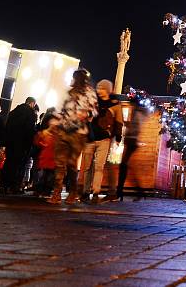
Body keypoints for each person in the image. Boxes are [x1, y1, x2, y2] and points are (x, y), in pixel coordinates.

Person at [48, 69, 97, 205]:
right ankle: (56, 193)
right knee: (59, 164)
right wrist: (54, 124)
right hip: (63, 131)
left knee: (71, 164)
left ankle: (73, 192)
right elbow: (61, 110)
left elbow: (94, 110)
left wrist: (85, 114)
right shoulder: (69, 92)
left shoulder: (89, 93)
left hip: (78, 133)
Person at [79, 79, 121, 204]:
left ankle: (96, 192)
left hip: (104, 139)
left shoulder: (115, 104)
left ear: (107, 90)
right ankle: (85, 192)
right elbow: (85, 117)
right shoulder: (93, 102)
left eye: (102, 88)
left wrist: (117, 137)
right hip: (90, 138)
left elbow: (119, 122)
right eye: (98, 88)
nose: (99, 90)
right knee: (87, 167)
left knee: (99, 167)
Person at [1, 97, 37, 195]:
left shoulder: (13, 112)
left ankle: (3, 186)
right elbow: (30, 131)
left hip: (11, 143)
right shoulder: (30, 113)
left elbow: (7, 128)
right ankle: (14, 186)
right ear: (32, 103)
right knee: (19, 166)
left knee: (8, 163)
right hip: (22, 144)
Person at [117, 98, 147, 201]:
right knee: (125, 166)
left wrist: (127, 127)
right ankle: (137, 191)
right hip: (131, 141)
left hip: (132, 141)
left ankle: (124, 191)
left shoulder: (137, 113)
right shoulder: (137, 112)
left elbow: (136, 128)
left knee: (124, 165)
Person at [33, 113, 57, 197]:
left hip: (50, 159)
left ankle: (44, 191)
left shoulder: (50, 134)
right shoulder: (45, 133)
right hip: (46, 159)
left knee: (47, 177)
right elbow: (37, 142)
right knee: (44, 176)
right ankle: (42, 190)